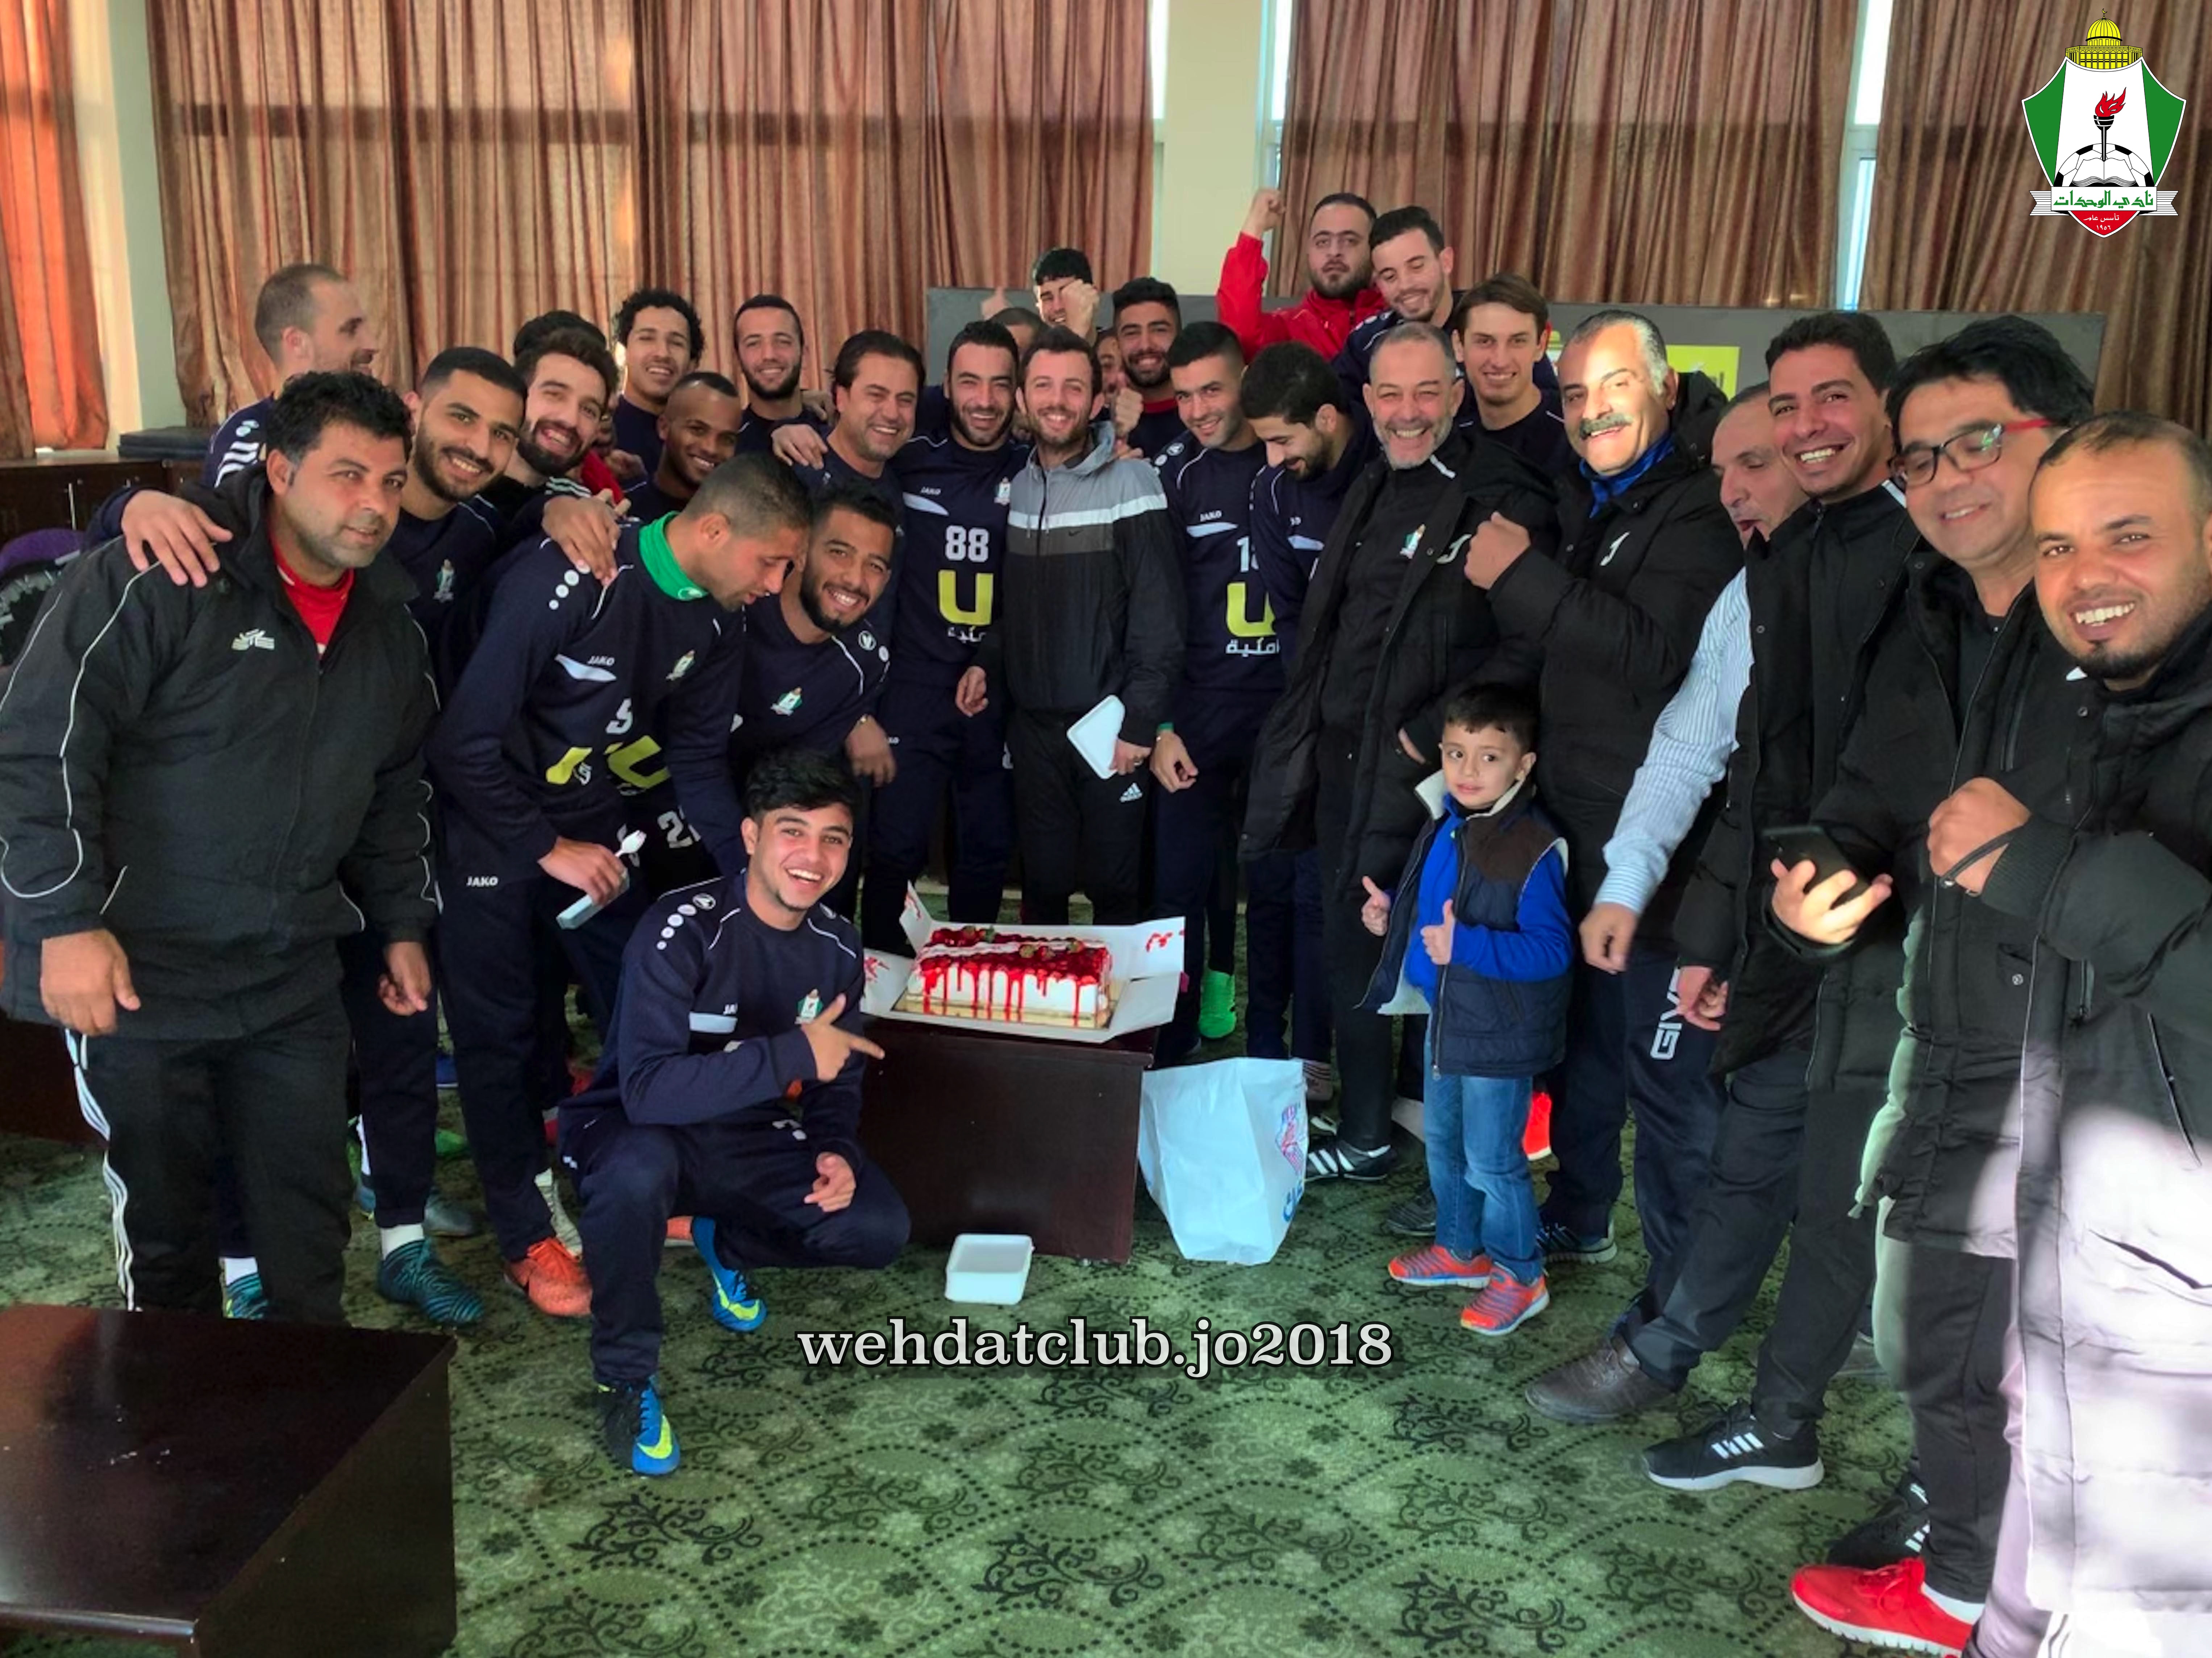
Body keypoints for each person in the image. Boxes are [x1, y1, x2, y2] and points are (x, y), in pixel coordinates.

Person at [1527, 312, 1916, 1497]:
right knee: (1740, 1150)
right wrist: (1671, 907)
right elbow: (1714, 757)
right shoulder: (1761, 585)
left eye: (1789, 436)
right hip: (1771, 923)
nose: (1752, 476)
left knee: (1836, 1175)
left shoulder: (1922, 571)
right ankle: (1676, 1349)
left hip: (1893, 940)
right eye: (1748, 448)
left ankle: (1790, 1389)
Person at [1767, 319, 2091, 1655]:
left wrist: (2039, 859)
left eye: (1980, 442)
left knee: (2064, 1360)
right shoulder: (1927, 613)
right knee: (1936, 1333)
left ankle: (1996, 1587)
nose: (1949, 477)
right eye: (1923, 458)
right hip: (1948, 1026)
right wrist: (1815, 889)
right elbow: (1867, 797)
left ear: (2063, 439)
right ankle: (1964, 1568)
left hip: (2101, 1057)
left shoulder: (2130, 624)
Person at [0, 372, 435, 1325]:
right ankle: (172, 1417)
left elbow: (394, 791)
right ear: (279, 470)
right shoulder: (157, 578)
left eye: (392, 481)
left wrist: (401, 922)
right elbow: (40, 747)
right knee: (171, 1243)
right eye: (347, 474)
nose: (373, 503)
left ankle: (310, 1407)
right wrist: (61, 924)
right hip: (141, 977)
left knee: (309, 1230)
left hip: (291, 975)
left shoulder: (389, 631)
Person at [1921, 411, 2212, 1657]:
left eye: (2126, 536)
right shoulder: (2112, 716)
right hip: (2091, 1273)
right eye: (2056, 547)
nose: (2084, 576)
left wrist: (2040, 869)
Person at [428, 454, 811, 1318]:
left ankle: (632, 1170)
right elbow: (462, 744)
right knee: (501, 1037)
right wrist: (546, 845)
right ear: (714, 528)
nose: (776, 584)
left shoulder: (719, 619)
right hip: (489, 827)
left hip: (593, 827)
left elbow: (697, 758)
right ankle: (526, 1235)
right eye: (771, 562)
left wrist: (750, 876)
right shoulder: (573, 575)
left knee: (648, 996)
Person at [1457, 308, 1741, 1277]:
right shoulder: (1593, 495)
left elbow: (1654, 656)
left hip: (1654, 843)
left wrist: (1520, 576)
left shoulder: (1701, 503)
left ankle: (1685, 1289)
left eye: (1614, 385)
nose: (1592, 409)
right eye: (1575, 392)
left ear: (1665, 386)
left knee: (1657, 1073)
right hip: (1574, 819)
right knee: (1581, 1041)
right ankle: (1580, 1211)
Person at [1243, 321, 1558, 1182]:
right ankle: (1367, 1133)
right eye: (1390, 394)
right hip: (1343, 762)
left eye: (1426, 392)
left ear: (1456, 394)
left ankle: (1446, 1157)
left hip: (1431, 776)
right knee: (1350, 945)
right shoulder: (1374, 481)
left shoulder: (1500, 495)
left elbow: (1528, 642)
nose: (1407, 411)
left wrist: (1428, 732)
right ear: (1367, 402)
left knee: (1431, 956)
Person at [561, 749, 908, 1476]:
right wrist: (790, 1054)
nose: (812, 857)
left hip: (744, 1132)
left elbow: (836, 1076)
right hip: (634, 1127)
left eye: (833, 839)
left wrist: (835, 1148)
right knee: (634, 1172)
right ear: (751, 836)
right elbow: (647, 1090)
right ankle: (624, 1374)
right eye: (792, 832)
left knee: (874, 1226)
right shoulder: (680, 926)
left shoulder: (837, 945)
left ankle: (725, 1240)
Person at [1360, 684, 1569, 1334]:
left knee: (1494, 1161)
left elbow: (1553, 950)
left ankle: (1520, 1273)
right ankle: (1460, 1249)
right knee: (1445, 1144)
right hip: (1446, 1018)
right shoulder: (1445, 822)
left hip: (1499, 1035)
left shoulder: (1534, 846)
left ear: (1523, 765)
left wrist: (1467, 946)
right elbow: (1436, 904)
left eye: (1489, 757)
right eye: (1455, 753)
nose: (1468, 771)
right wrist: (1391, 910)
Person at [957, 326, 1182, 926]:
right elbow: (1016, 605)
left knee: (1116, 890)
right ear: (1022, 399)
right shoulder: (1022, 484)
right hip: (1033, 732)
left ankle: (1126, 997)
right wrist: (987, 661)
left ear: (1098, 399)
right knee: (1043, 887)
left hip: (1110, 728)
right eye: (1043, 386)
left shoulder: (1133, 481)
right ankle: (1051, 991)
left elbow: (1159, 616)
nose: (1057, 401)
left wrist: (1140, 723)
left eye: (1073, 388)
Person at [1147, 323, 1301, 1065]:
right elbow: (1157, 606)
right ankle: (1173, 1040)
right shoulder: (1177, 474)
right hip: (1201, 710)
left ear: (1246, 379)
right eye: (1183, 396)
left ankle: (1271, 1040)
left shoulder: (1293, 458)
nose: (1199, 409)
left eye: (1212, 389)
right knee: (1179, 884)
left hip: (1283, 708)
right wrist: (1163, 722)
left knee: (1275, 885)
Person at [861, 320, 1027, 954]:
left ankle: (966, 977)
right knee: (895, 847)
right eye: (969, 382)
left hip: (997, 686)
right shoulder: (909, 455)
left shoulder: (1036, 469)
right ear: (947, 388)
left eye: (1000, 384)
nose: (984, 399)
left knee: (985, 848)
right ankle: (879, 978)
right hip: (915, 683)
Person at [204, 263, 380, 486]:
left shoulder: (377, 423)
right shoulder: (248, 437)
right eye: (351, 330)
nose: (373, 344)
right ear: (297, 343)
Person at [1214, 187, 1380, 361]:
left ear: (1375, 249)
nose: (1334, 252)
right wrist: (1255, 225)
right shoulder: (1289, 329)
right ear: (1309, 252)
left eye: (1350, 241)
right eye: (1323, 242)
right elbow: (1240, 335)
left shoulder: (1394, 319)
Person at [1448, 275, 1573, 477]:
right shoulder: (1449, 439)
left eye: (1518, 341)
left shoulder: (1575, 435)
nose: (1500, 361)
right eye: (1485, 341)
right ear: (1459, 346)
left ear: (1541, 345)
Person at [608, 286, 705, 483]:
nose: (662, 353)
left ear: (693, 364)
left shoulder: (705, 441)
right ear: (622, 353)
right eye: (647, 339)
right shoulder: (600, 434)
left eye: (676, 343)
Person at [624, 371, 743, 523]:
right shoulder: (622, 510)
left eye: (727, 439)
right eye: (698, 430)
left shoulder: (740, 524)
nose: (711, 448)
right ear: (664, 428)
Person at [1110, 278, 1187, 457]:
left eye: (1159, 330)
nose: (1145, 345)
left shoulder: (1203, 416)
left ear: (1179, 338)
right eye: (1132, 333)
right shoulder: (1099, 424)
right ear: (1117, 346)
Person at [732, 295, 815, 455]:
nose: (769, 355)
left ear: (804, 355)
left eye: (783, 342)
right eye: (753, 344)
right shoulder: (727, 446)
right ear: (738, 361)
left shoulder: (836, 432)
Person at [1030, 246, 1097, 332]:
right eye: (1048, 299)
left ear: (1093, 295)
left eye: (1066, 295)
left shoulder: (1111, 339)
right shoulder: (1027, 340)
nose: (1058, 308)